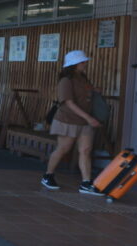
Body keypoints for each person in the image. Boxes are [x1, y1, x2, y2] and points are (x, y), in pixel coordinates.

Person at [41, 50, 103, 195]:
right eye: (82, 62)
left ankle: (86, 183)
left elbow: (87, 92)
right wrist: (88, 118)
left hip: (85, 121)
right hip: (68, 120)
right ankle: (48, 175)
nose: (85, 63)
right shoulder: (65, 80)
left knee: (85, 150)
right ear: (74, 64)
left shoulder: (83, 78)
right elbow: (69, 103)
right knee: (63, 149)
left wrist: (95, 91)